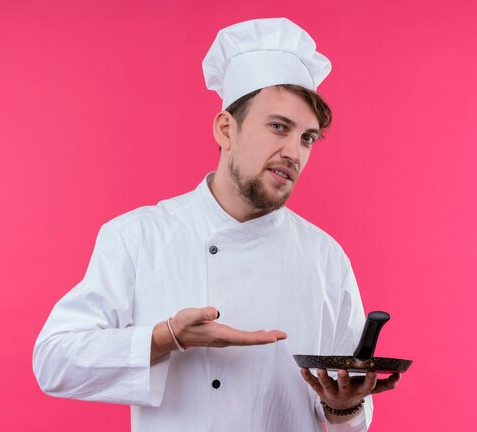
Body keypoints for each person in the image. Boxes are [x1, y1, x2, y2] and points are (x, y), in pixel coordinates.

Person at [33, 17, 400, 431]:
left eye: (307, 138)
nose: (294, 153)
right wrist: (166, 338)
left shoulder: (325, 259)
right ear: (226, 128)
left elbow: (346, 416)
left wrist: (344, 407)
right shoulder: (138, 236)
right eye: (278, 126)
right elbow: (53, 361)